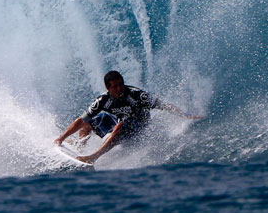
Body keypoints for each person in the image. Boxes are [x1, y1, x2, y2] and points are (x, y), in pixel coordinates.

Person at [55, 70, 204, 164]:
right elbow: (82, 120)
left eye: (121, 84)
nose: (120, 88)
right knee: (89, 122)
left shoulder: (137, 95)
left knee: (120, 125)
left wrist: (186, 116)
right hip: (120, 125)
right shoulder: (103, 100)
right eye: (115, 86)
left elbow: (163, 105)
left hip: (139, 130)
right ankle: (80, 145)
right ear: (108, 88)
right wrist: (61, 138)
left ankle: (94, 157)